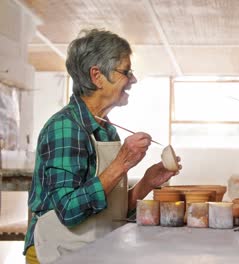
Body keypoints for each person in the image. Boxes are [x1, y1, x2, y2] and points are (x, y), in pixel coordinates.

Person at [24, 29, 181, 264]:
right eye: (125, 71)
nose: (133, 79)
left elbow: (110, 212)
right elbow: (69, 210)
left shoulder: (107, 130)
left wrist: (147, 182)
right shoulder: (65, 127)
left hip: (93, 251)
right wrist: (121, 163)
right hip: (56, 254)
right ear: (97, 76)